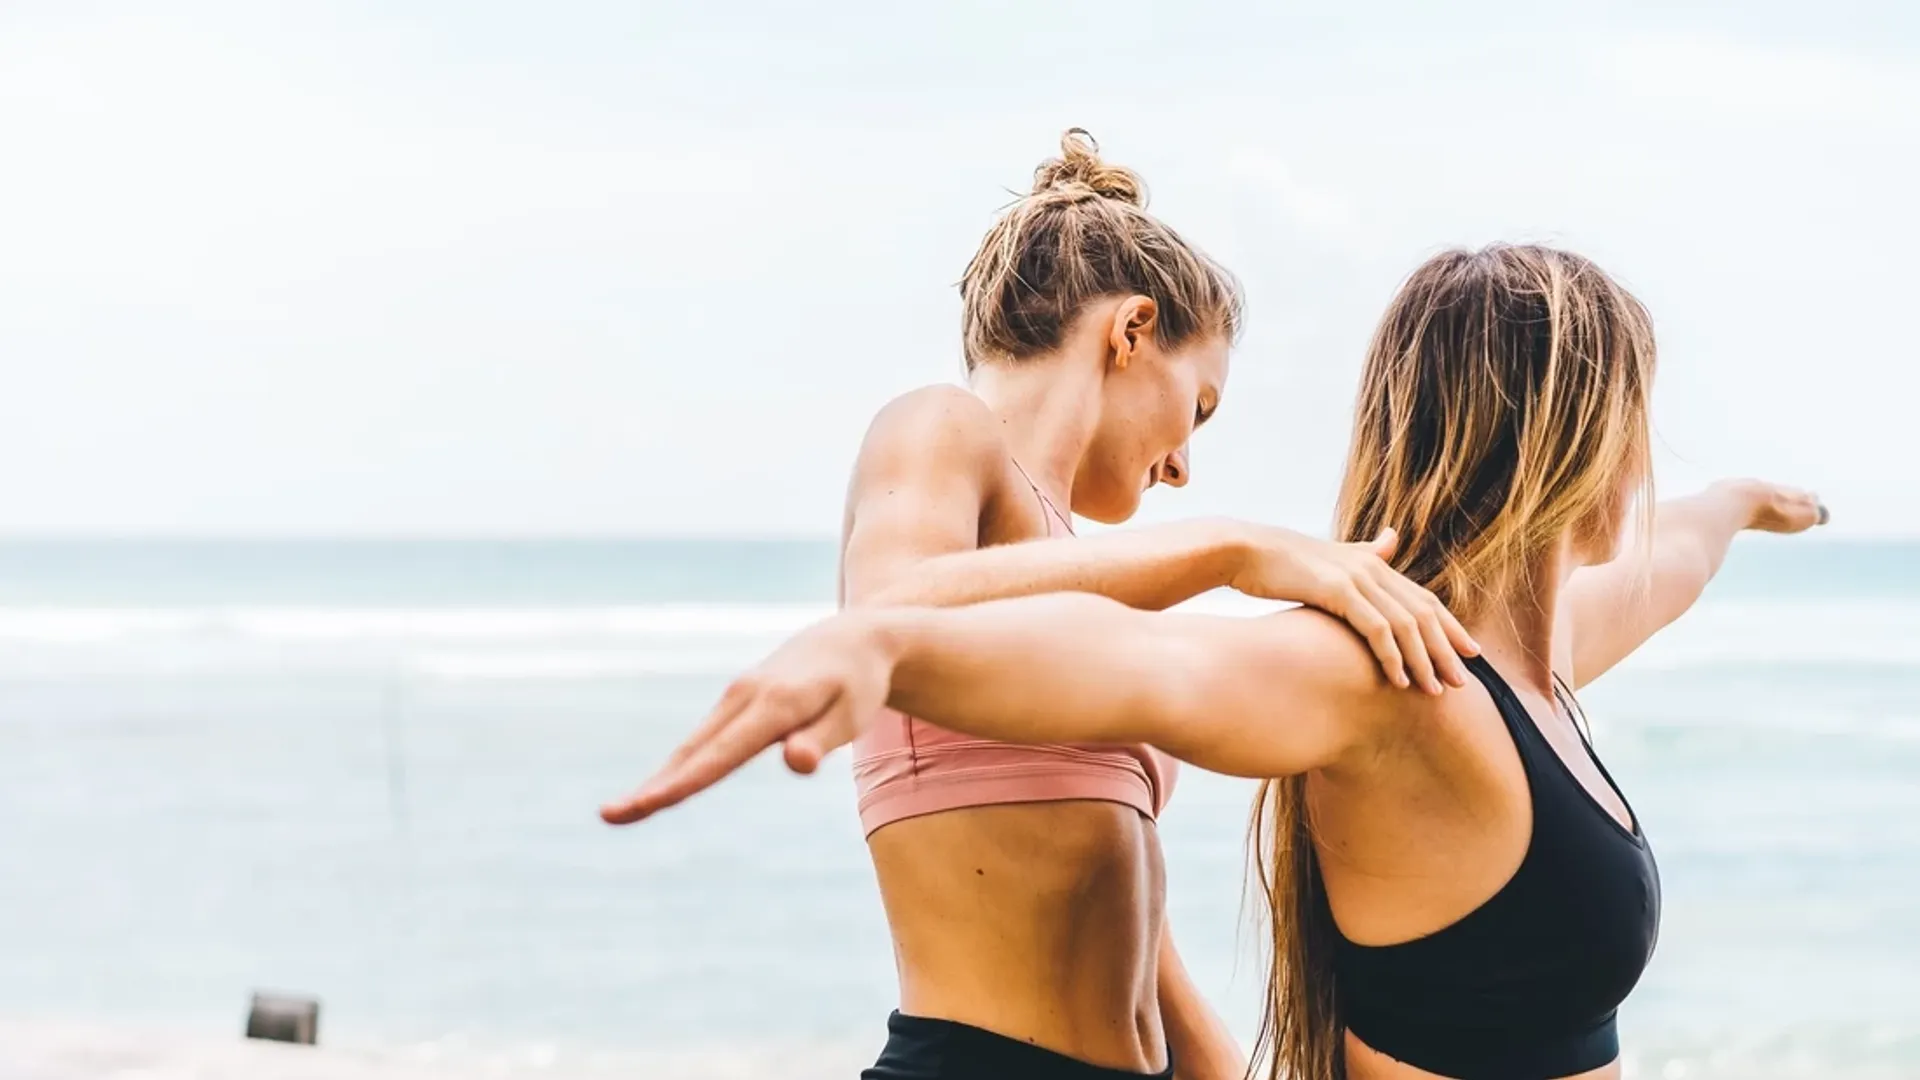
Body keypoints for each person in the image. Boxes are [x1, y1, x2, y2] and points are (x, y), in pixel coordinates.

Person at [605, 243, 1829, 1080]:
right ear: (1567, 429)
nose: (1647, 459)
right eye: (1638, 419)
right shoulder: (1383, 682)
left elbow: (1666, 561)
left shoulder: (1526, 666)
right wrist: (877, 646)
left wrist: (1738, 503)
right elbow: (1148, 670)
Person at [604, 130, 1477, 1080]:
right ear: (1133, 330)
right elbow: (890, 610)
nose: (1185, 464)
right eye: (1201, 407)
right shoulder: (940, 426)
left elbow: (1140, 939)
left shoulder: (1073, 586)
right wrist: (1234, 551)